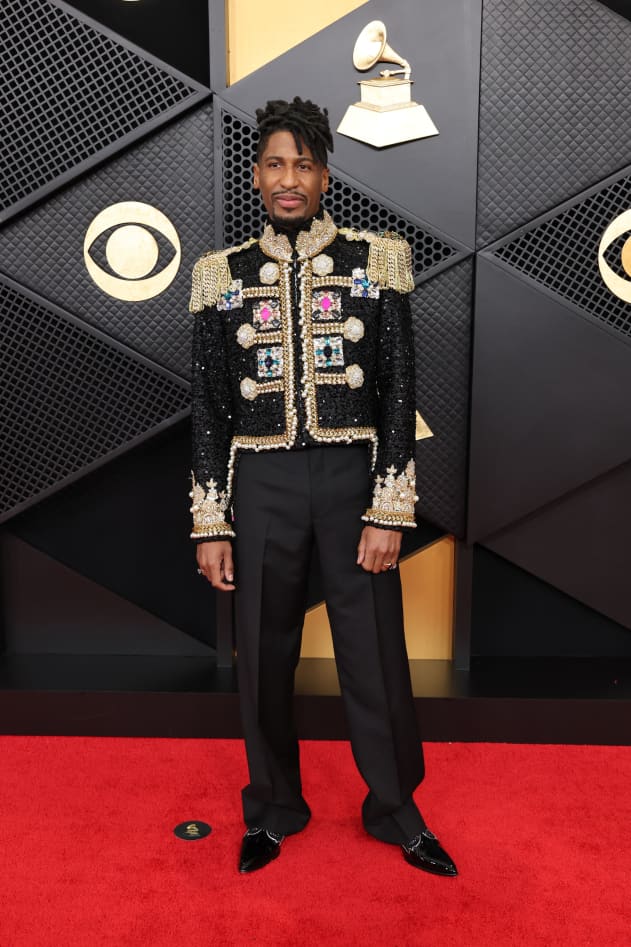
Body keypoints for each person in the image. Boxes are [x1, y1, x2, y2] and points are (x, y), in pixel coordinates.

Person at [189, 97, 457, 877]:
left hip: (351, 481)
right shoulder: (222, 274)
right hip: (260, 480)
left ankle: (395, 809)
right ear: (255, 174)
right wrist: (211, 520)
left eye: (303, 164)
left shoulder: (378, 260)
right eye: (275, 162)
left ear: (324, 175)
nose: (288, 178)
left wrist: (387, 505)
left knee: (372, 651)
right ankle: (273, 807)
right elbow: (206, 404)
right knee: (262, 650)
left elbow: (400, 389)